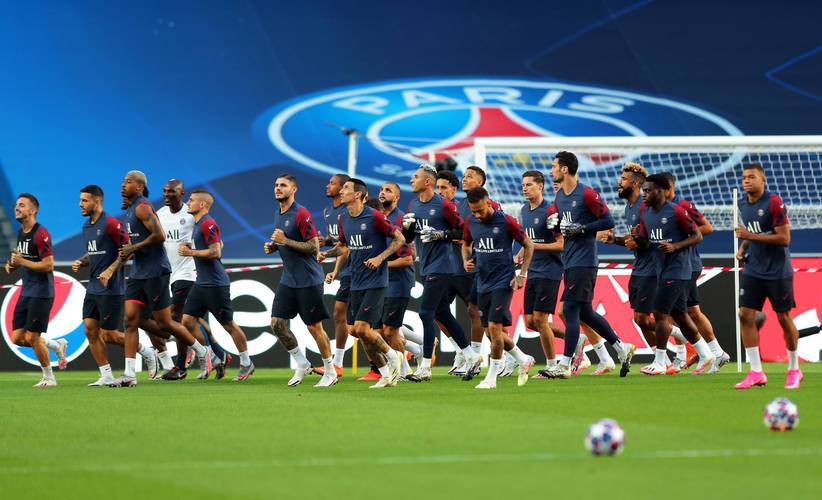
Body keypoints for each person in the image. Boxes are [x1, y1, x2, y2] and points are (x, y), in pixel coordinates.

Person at [111, 171, 212, 387]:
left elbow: (159, 236)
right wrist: (125, 256)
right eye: (123, 182)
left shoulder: (143, 207)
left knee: (165, 322)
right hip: (138, 272)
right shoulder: (131, 209)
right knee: (131, 320)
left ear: (139, 187)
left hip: (157, 271)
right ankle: (129, 375)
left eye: (128, 182)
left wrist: (133, 248)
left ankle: (201, 351)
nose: (123, 185)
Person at [542, 151, 635, 379]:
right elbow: (563, 226)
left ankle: (565, 364)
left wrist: (583, 228)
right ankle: (621, 347)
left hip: (584, 261)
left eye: (554, 166)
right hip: (570, 260)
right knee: (585, 312)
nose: (551, 171)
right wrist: (555, 224)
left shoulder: (587, 194)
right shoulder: (560, 197)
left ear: (565, 169)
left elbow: (608, 220)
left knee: (570, 310)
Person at [72, 185, 159, 386]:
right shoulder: (86, 226)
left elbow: (127, 250)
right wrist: (82, 261)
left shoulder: (111, 223)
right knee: (90, 330)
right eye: (80, 200)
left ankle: (146, 351)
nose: (80, 204)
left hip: (112, 288)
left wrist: (111, 270)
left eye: (84, 200)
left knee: (108, 334)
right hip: (93, 287)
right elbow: (94, 251)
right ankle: (106, 375)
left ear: (97, 201)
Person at [401, 164, 481, 382]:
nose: (412, 180)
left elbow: (462, 231)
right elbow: (409, 239)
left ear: (428, 181)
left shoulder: (443, 205)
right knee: (442, 312)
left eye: (415, 177)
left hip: (443, 265)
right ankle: (471, 355)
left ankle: (425, 366)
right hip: (426, 265)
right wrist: (407, 229)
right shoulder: (413, 204)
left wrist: (441, 234)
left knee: (425, 312)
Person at [325, 179, 405, 388]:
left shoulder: (374, 216)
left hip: (376, 281)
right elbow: (344, 247)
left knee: (362, 328)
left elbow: (399, 239)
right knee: (354, 330)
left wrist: (381, 258)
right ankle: (385, 374)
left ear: (358, 194)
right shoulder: (343, 218)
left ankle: (393, 356)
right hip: (356, 281)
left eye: (346, 188)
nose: (341, 191)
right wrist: (327, 253)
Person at [634, 175, 714, 375]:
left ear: (660, 191)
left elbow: (697, 235)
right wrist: (635, 238)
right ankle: (706, 353)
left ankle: (660, 362)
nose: (644, 194)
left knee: (660, 313)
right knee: (680, 314)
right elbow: (645, 241)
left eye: (648, 191)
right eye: (643, 191)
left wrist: (675, 246)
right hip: (660, 269)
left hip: (678, 270)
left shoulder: (676, 211)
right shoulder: (645, 212)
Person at [734, 164, 802, 390]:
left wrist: (750, 236)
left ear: (763, 180)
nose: (746, 181)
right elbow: (754, 232)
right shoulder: (742, 203)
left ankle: (794, 369)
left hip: (777, 271)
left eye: (752, 177)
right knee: (745, 315)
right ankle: (756, 372)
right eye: (744, 177)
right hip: (754, 268)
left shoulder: (773, 202)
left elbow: (784, 239)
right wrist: (743, 247)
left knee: (783, 317)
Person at [265, 174, 337, 387]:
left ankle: (330, 371)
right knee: (277, 323)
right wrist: (275, 246)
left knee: (314, 327)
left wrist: (285, 241)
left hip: (308, 279)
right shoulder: (278, 213)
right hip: (289, 280)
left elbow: (314, 246)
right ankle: (302, 363)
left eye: (283, 185)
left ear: (294, 189)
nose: (278, 188)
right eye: (276, 185)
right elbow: (287, 242)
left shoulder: (301, 213)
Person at [177, 189, 255, 381]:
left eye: (191, 200)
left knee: (228, 325)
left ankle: (246, 363)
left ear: (202, 204)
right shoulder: (199, 224)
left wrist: (191, 252)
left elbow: (215, 252)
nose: (188, 202)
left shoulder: (208, 223)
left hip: (215, 284)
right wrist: (194, 248)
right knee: (187, 321)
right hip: (201, 283)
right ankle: (212, 356)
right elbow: (218, 244)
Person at [462, 187, 536, 389]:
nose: (478, 215)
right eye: (474, 211)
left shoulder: (506, 221)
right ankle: (523, 359)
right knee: (489, 332)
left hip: (503, 281)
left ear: (488, 203)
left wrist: (522, 274)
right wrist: (466, 260)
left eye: (480, 210)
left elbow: (529, 245)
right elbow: (466, 244)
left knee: (495, 327)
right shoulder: (471, 222)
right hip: (482, 281)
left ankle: (491, 378)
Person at [157, 179, 228, 381]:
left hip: (188, 273)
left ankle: (181, 366)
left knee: (176, 318)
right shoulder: (160, 214)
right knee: (190, 319)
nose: (167, 195)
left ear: (181, 194)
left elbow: (216, 241)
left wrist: (194, 251)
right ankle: (218, 354)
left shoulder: (191, 215)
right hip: (170, 273)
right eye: (165, 191)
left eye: (172, 191)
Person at [660, 172, 730, 372]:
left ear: (668, 189)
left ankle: (682, 355)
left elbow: (707, 227)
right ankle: (718, 353)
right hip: (679, 265)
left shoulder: (683, 205)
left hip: (687, 265)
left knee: (671, 310)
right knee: (692, 312)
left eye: (657, 189)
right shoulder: (661, 209)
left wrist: (680, 238)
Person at [5, 193, 65, 387]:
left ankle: (49, 378)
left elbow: (48, 265)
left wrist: (22, 261)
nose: (17, 208)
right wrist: (13, 264)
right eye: (16, 205)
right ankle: (56, 345)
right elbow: (23, 260)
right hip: (27, 291)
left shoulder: (41, 233)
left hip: (41, 293)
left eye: (22, 205)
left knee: (32, 337)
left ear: (33, 210)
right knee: (17, 338)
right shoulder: (21, 233)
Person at [517, 171, 565, 372]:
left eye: (529, 184)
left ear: (541, 186)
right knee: (530, 321)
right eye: (523, 185)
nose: (525, 188)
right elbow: (527, 239)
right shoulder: (524, 210)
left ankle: (552, 365)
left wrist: (535, 246)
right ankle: (575, 338)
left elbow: (561, 244)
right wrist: (521, 252)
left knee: (540, 319)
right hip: (533, 270)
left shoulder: (550, 211)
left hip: (550, 271)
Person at [375, 182, 420, 377]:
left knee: (390, 330)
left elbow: (409, 258)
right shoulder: (376, 218)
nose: (382, 193)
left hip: (398, 281)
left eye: (388, 190)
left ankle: (403, 370)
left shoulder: (403, 220)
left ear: (397, 197)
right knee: (378, 331)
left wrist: (380, 263)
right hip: (379, 282)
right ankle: (415, 353)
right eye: (381, 190)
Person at [317, 173, 352, 379]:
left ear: (342, 188)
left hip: (357, 268)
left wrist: (335, 269)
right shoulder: (328, 211)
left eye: (332, 183)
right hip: (346, 269)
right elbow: (337, 240)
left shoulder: (348, 211)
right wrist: (325, 241)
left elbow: (345, 246)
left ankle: (337, 364)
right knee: (343, 316)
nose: (327, 186)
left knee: (355, 321)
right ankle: (413, 348)